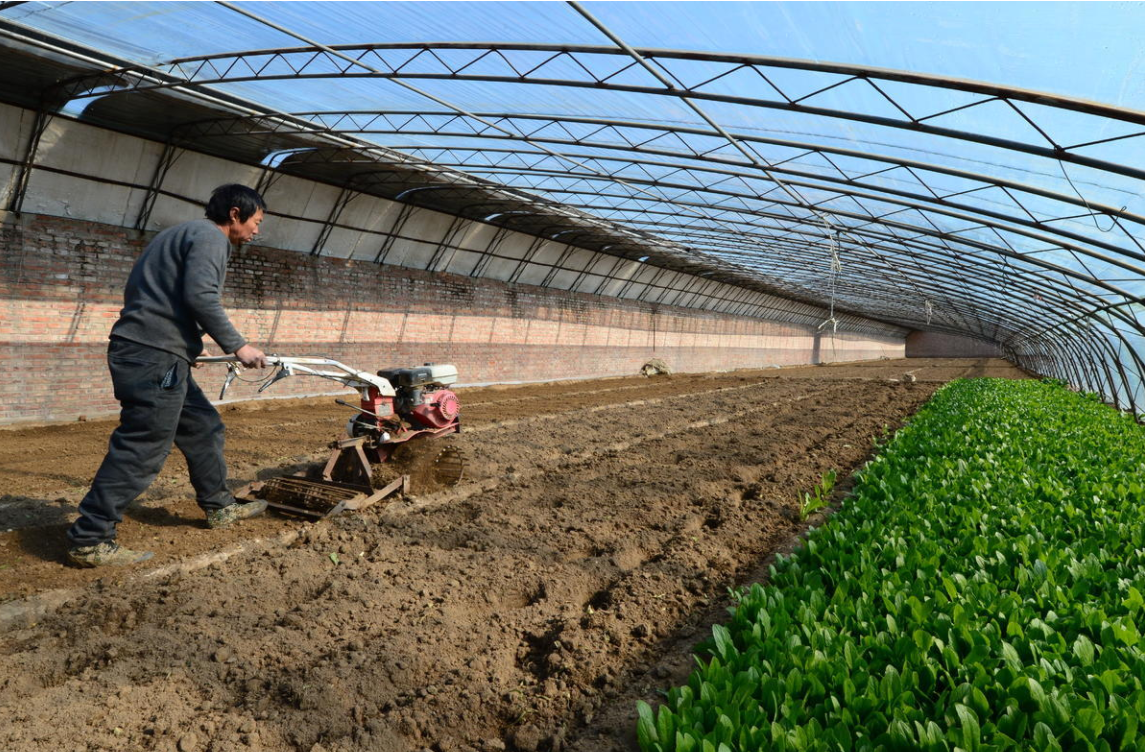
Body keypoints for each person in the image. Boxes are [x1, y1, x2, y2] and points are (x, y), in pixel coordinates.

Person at [66, 184, 272, 567]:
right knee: (143, 446)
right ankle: (90, 538)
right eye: (256, 221)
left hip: (154, 352)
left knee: (202, 427)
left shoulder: (180, 234)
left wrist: (185, 345)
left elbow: (156, 294)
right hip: (152, 358)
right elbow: (200, 296)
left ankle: (219, 505)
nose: (257, 230)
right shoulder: (211, 238)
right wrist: (238, 346)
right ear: (235, 214)